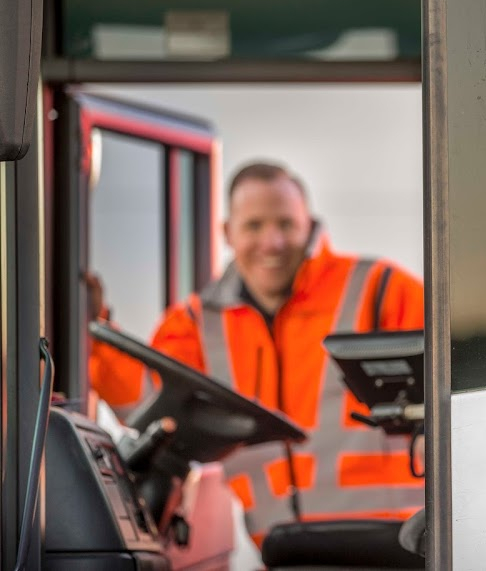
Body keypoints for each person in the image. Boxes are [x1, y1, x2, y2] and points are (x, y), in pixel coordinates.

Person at [89, 161, 425, 541]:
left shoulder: (380, 290)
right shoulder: (196, 323)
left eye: (285, 224)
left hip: (391, 546)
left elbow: (453, 375)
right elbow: (150, 407)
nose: (272, 242)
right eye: (254, 226)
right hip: (279, 552)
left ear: (310, 225)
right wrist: (94, 341)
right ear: (227, 233)